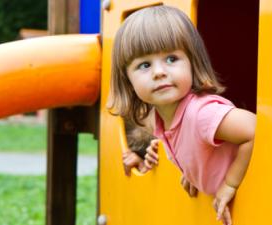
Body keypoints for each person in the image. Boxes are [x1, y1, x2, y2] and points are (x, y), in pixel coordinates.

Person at [107, 5, 255, 225]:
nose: (159, 72)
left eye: (171, 59)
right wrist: (194, 171)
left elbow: (255, 130)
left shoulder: (201, 114)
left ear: (192, 64)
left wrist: (230, 183)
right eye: (144, 65)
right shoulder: (162, 120)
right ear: (127, 81)